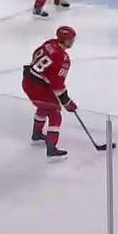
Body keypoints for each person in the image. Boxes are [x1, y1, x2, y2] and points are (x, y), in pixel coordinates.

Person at [21, 26, 78, 159]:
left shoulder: (49, 43)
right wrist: (67, 102)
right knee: (55, 113)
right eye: (71, 39)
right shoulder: (63, 58)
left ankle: (37, 135)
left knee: (44, 106)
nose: (72, 42)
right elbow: (57, 85)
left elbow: (34, 55)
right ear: (65, 40)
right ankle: (51, 149)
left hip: (27, 80)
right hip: (38, 87)